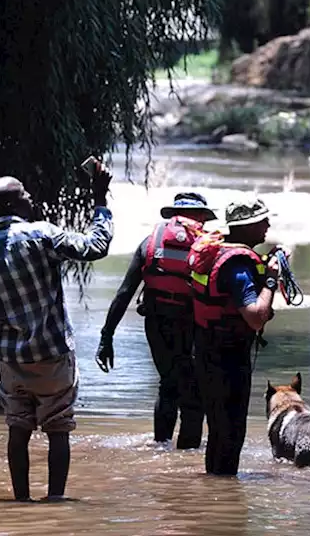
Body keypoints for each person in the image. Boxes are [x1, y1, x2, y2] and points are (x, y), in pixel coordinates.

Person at [0, 163, 114, 502]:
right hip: (52, 355)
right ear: (14, 204)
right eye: (26, 195)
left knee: (18, 428)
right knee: (58, 428)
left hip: (10, 360)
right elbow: (95, 246)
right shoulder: (40, 234)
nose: (31, 199)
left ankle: (22, 502)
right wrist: (99, 198)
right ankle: (55, 503)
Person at [96, 192, 216, 448]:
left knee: (168, 384)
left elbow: (124, 293)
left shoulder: (150, 243)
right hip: (192, 325)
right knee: (193, 394)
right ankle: (187, 460)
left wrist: (106, 337)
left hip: (158, 324)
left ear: (173, 216)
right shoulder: (208, 247)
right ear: (200, 217)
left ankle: (161, 448)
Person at [186, 198, 280, 476]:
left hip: (205, 348)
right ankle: (223, 499)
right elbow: (255, 315)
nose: (268, 225)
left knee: (218, 428)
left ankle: (212, 489)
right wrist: (272, 278)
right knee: (231, 431)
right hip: (228, 356)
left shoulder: (217, 251)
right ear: (248, 226)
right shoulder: (238, 265)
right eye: (263, 221)